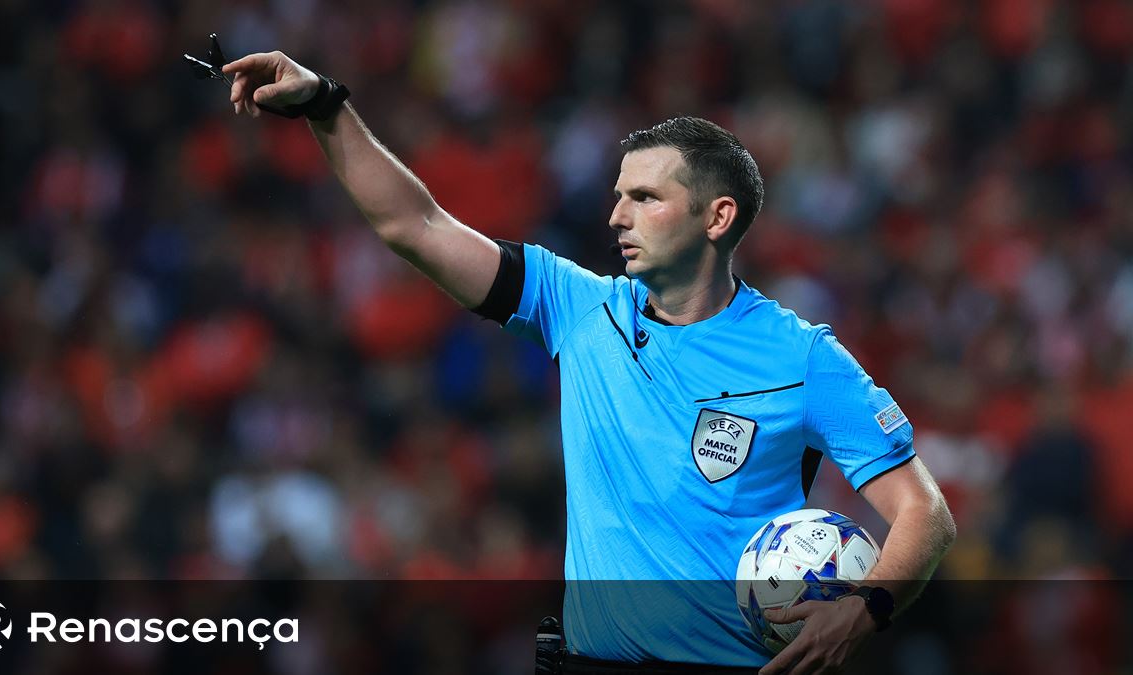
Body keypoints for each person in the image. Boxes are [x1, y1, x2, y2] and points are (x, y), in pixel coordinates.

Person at [222, 50, 957, 674]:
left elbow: (925, 512)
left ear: (717, 216)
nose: (616, 216)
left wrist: (864, 610)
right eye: (617, 196)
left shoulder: (802, 356)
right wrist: (326, 105)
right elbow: (413, 224)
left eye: (644, 197)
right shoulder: (577, 305)